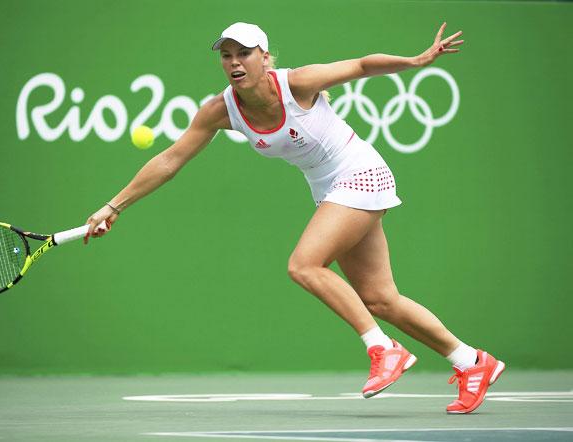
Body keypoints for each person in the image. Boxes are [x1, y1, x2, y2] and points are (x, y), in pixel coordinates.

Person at [83, 22, 504, 414]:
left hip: (359, 171)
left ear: (265, 57)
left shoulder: (297, 83)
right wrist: (113, 205)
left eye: (244, 53)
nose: (234, 62)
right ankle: (472, 361)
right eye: (226, 55)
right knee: (380, 299)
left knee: (304, 265)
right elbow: (170, 159)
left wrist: (414, 61)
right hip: (327, 188)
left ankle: (382, 348)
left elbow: (359, 66)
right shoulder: (220, 111)